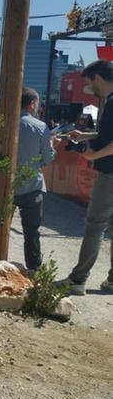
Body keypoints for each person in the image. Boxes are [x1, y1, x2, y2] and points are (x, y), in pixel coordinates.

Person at [58, 60, 113, 295]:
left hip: (110, 173)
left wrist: (93, 154)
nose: (88, 88)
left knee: (95, 225)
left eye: (89, 82)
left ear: (98, 77)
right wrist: (84, 136)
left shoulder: (111, 103)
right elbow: (106, 135)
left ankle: (78, 279)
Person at [13, 87, 56, 274]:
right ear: (31, 103)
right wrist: (52, 147)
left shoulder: (7, 123)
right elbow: (46, 159)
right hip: (32, 186)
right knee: (31, 232)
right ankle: (33, 269)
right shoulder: (41, 127)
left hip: (8, 185)